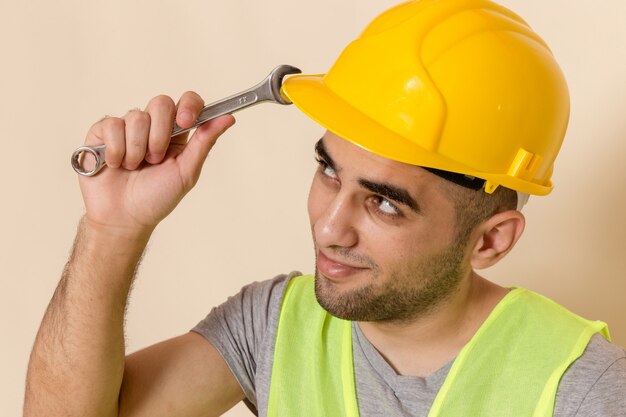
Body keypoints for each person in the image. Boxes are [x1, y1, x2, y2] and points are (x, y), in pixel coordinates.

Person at [24, 0, 626, 416]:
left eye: (386, 205)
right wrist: (113, 228)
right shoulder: (273, 327)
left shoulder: (583, 388)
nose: (330, 226)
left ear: (491, 240)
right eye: (328, 171)